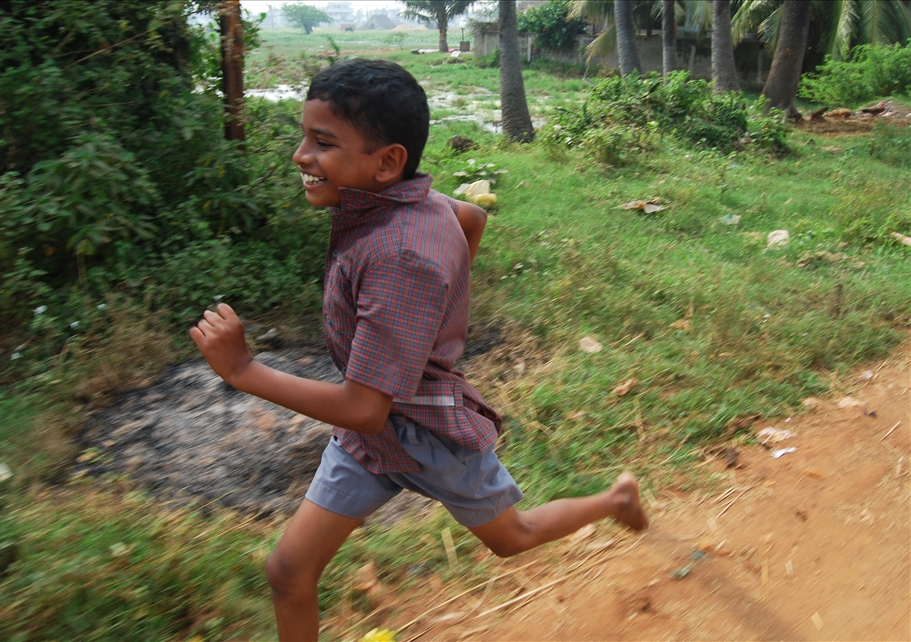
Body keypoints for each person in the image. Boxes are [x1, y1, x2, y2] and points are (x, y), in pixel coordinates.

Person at [190, 58, 647, 641]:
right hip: (372, 444)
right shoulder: (408, 202)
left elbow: (362, 407)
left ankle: (615, 497)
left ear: (388, 162)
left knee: (515, 538)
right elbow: (470, 216)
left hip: (432, 432)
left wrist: (244, 369)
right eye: (304, 136)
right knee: (287, 571)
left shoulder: (397, 256)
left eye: (323, 142)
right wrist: (434, 307)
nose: (301, 156)